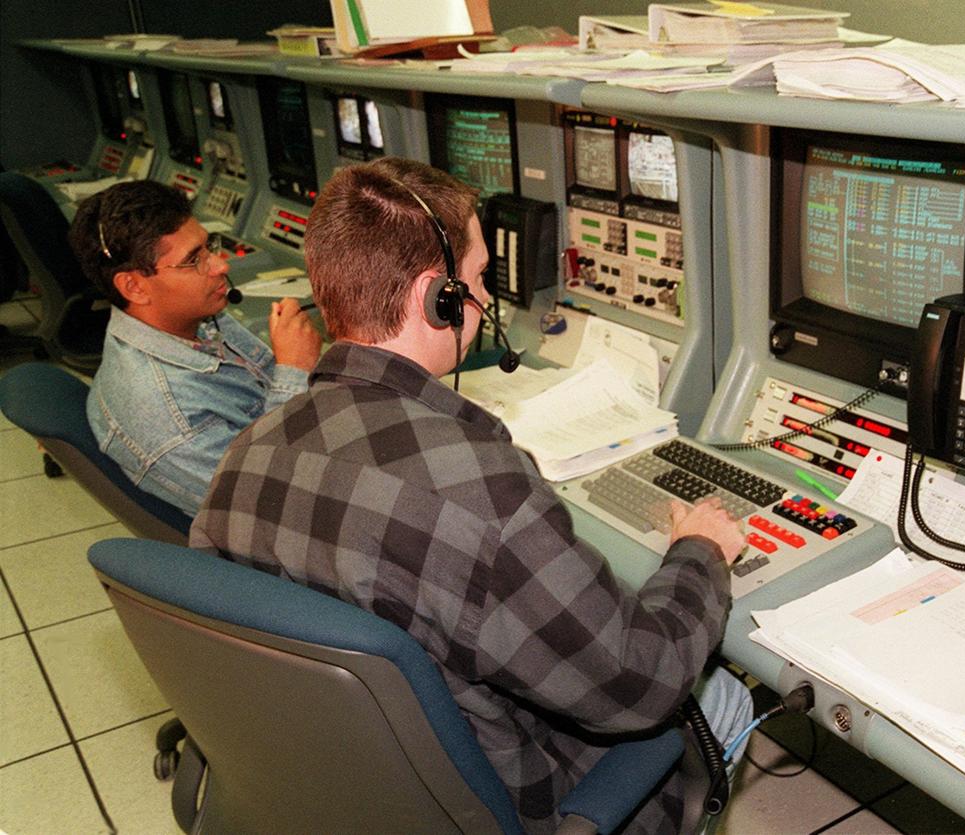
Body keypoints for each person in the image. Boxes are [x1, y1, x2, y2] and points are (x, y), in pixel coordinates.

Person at [189, 157, 752, 833]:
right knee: (723, 696)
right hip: (503, 800)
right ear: (440, 298)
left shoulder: (243, 454)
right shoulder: (482, 492)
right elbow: (641, 680)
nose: (483, 298)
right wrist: (698, 553)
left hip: (333, 789)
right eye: (480, 278)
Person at [67, 180, 322, 516]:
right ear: (134, 287)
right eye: (193, 260)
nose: (220, 266)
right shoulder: (165, 415)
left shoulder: (194, 321)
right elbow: (271, 500)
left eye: (208, 246)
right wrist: (295, 371)